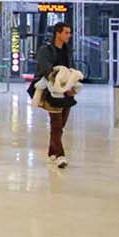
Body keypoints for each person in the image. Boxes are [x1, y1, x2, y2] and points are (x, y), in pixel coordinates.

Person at [32, 23, 76, 168]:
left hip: (67, 92)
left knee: (61, 124)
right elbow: (46, 69)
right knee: (56, 124)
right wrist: (58, 83)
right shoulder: (45, 50)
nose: (69, 35)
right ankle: (60, 155)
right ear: (58, 33)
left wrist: (71, 84)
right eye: (66, 33)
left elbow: (71, 68)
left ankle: (52, 151)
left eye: (69, 33)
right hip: (52, 92)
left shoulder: (68, 50)